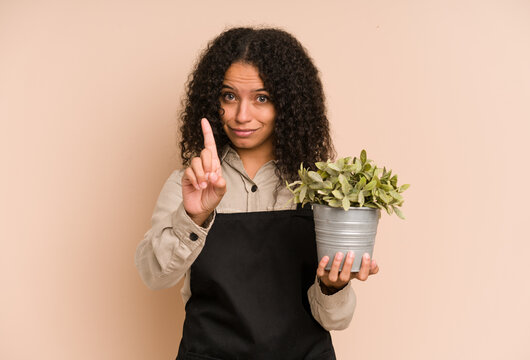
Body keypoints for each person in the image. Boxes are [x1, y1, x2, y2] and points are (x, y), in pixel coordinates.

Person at [135, 27, 379, 360]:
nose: (241, 115)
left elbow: (336, 319)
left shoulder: (322, 192)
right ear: (212, 100)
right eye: (229, 96)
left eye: (261, 98)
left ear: (289, 105)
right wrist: (194, 216)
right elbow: (154, 276)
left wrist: (332, 286)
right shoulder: (188, 184)